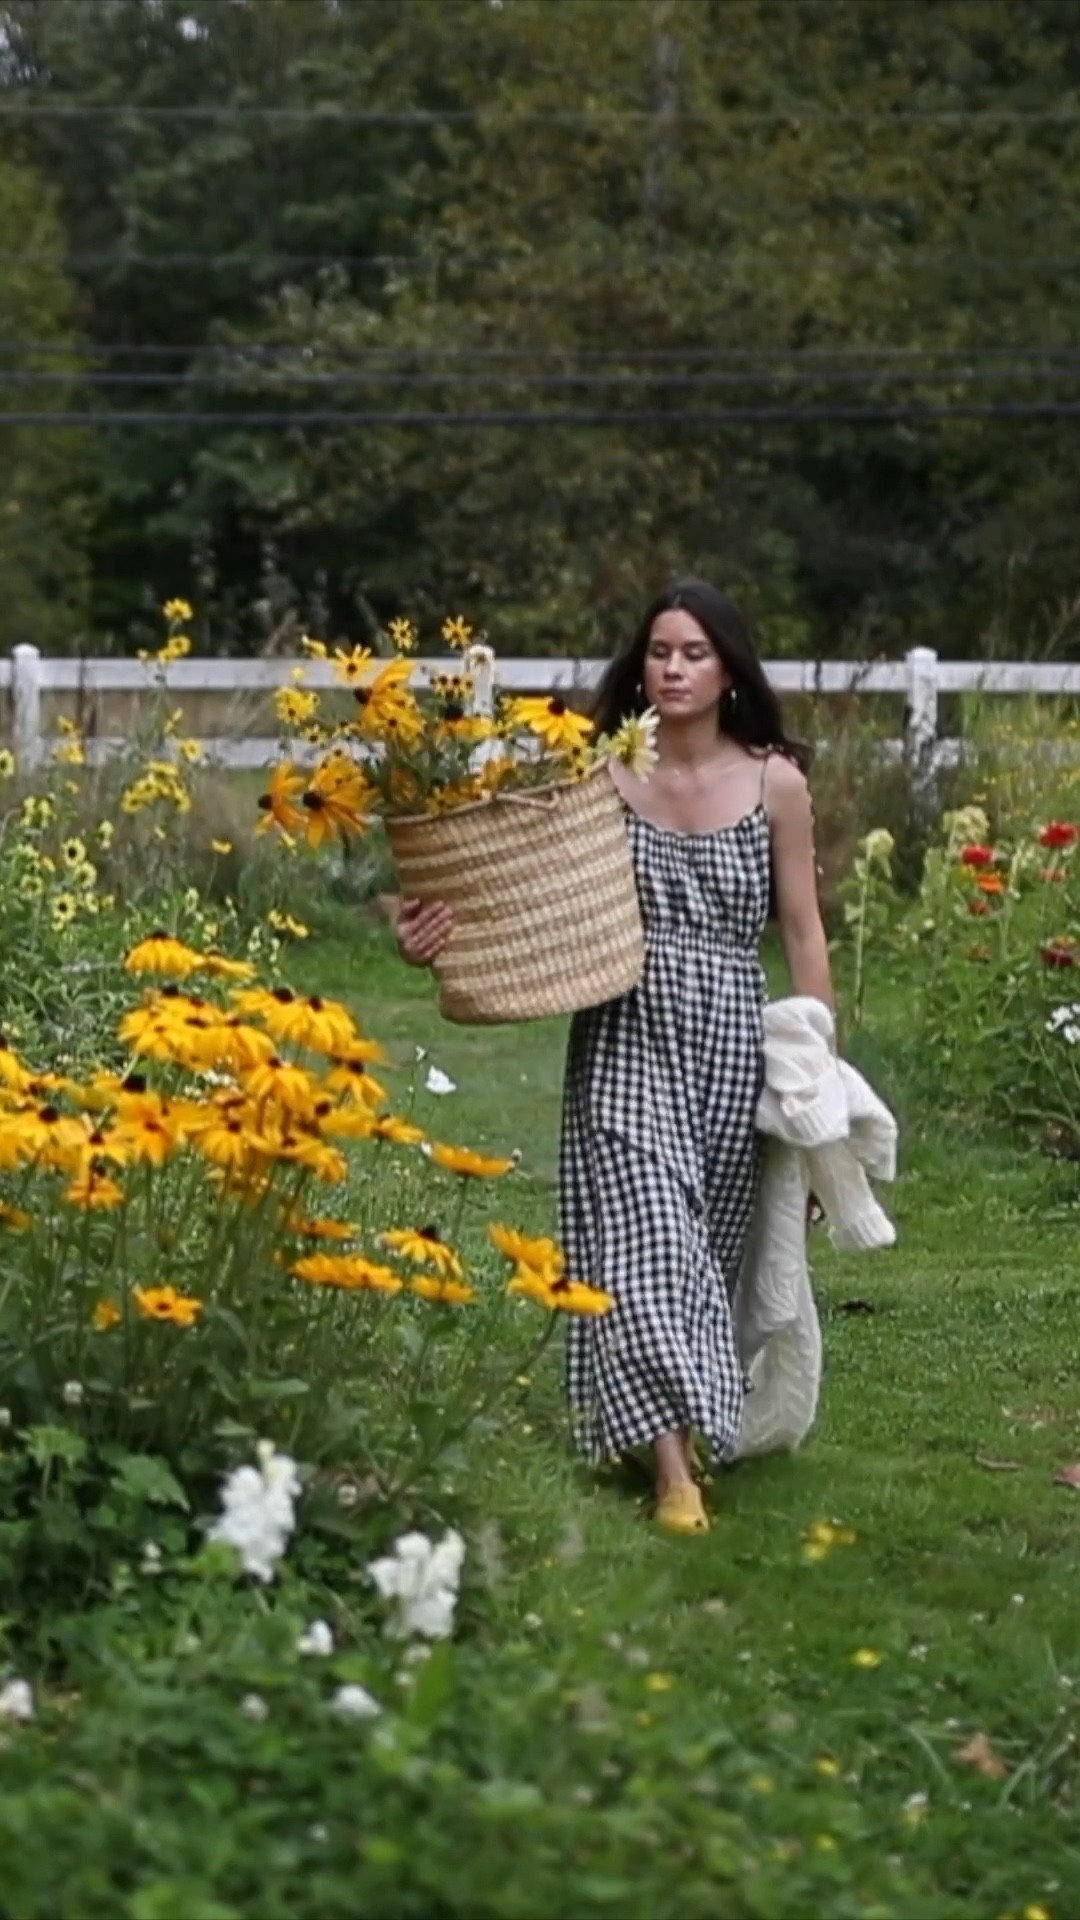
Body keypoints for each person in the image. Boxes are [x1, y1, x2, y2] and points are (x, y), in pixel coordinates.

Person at [396, 579, 835, 1535]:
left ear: (728, 670)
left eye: (694, 653)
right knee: (645, 1235)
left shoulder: (776, 784)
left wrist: (818, 1082)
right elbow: (507, 887)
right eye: (659, 652)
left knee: (706, 1253)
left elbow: (804, 934)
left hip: (730, 1041)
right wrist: (426, 933)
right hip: (624, 1025)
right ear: (639, 668)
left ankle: (668, 1421)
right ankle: (675, 1477)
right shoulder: (598, 774)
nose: (673, 669)